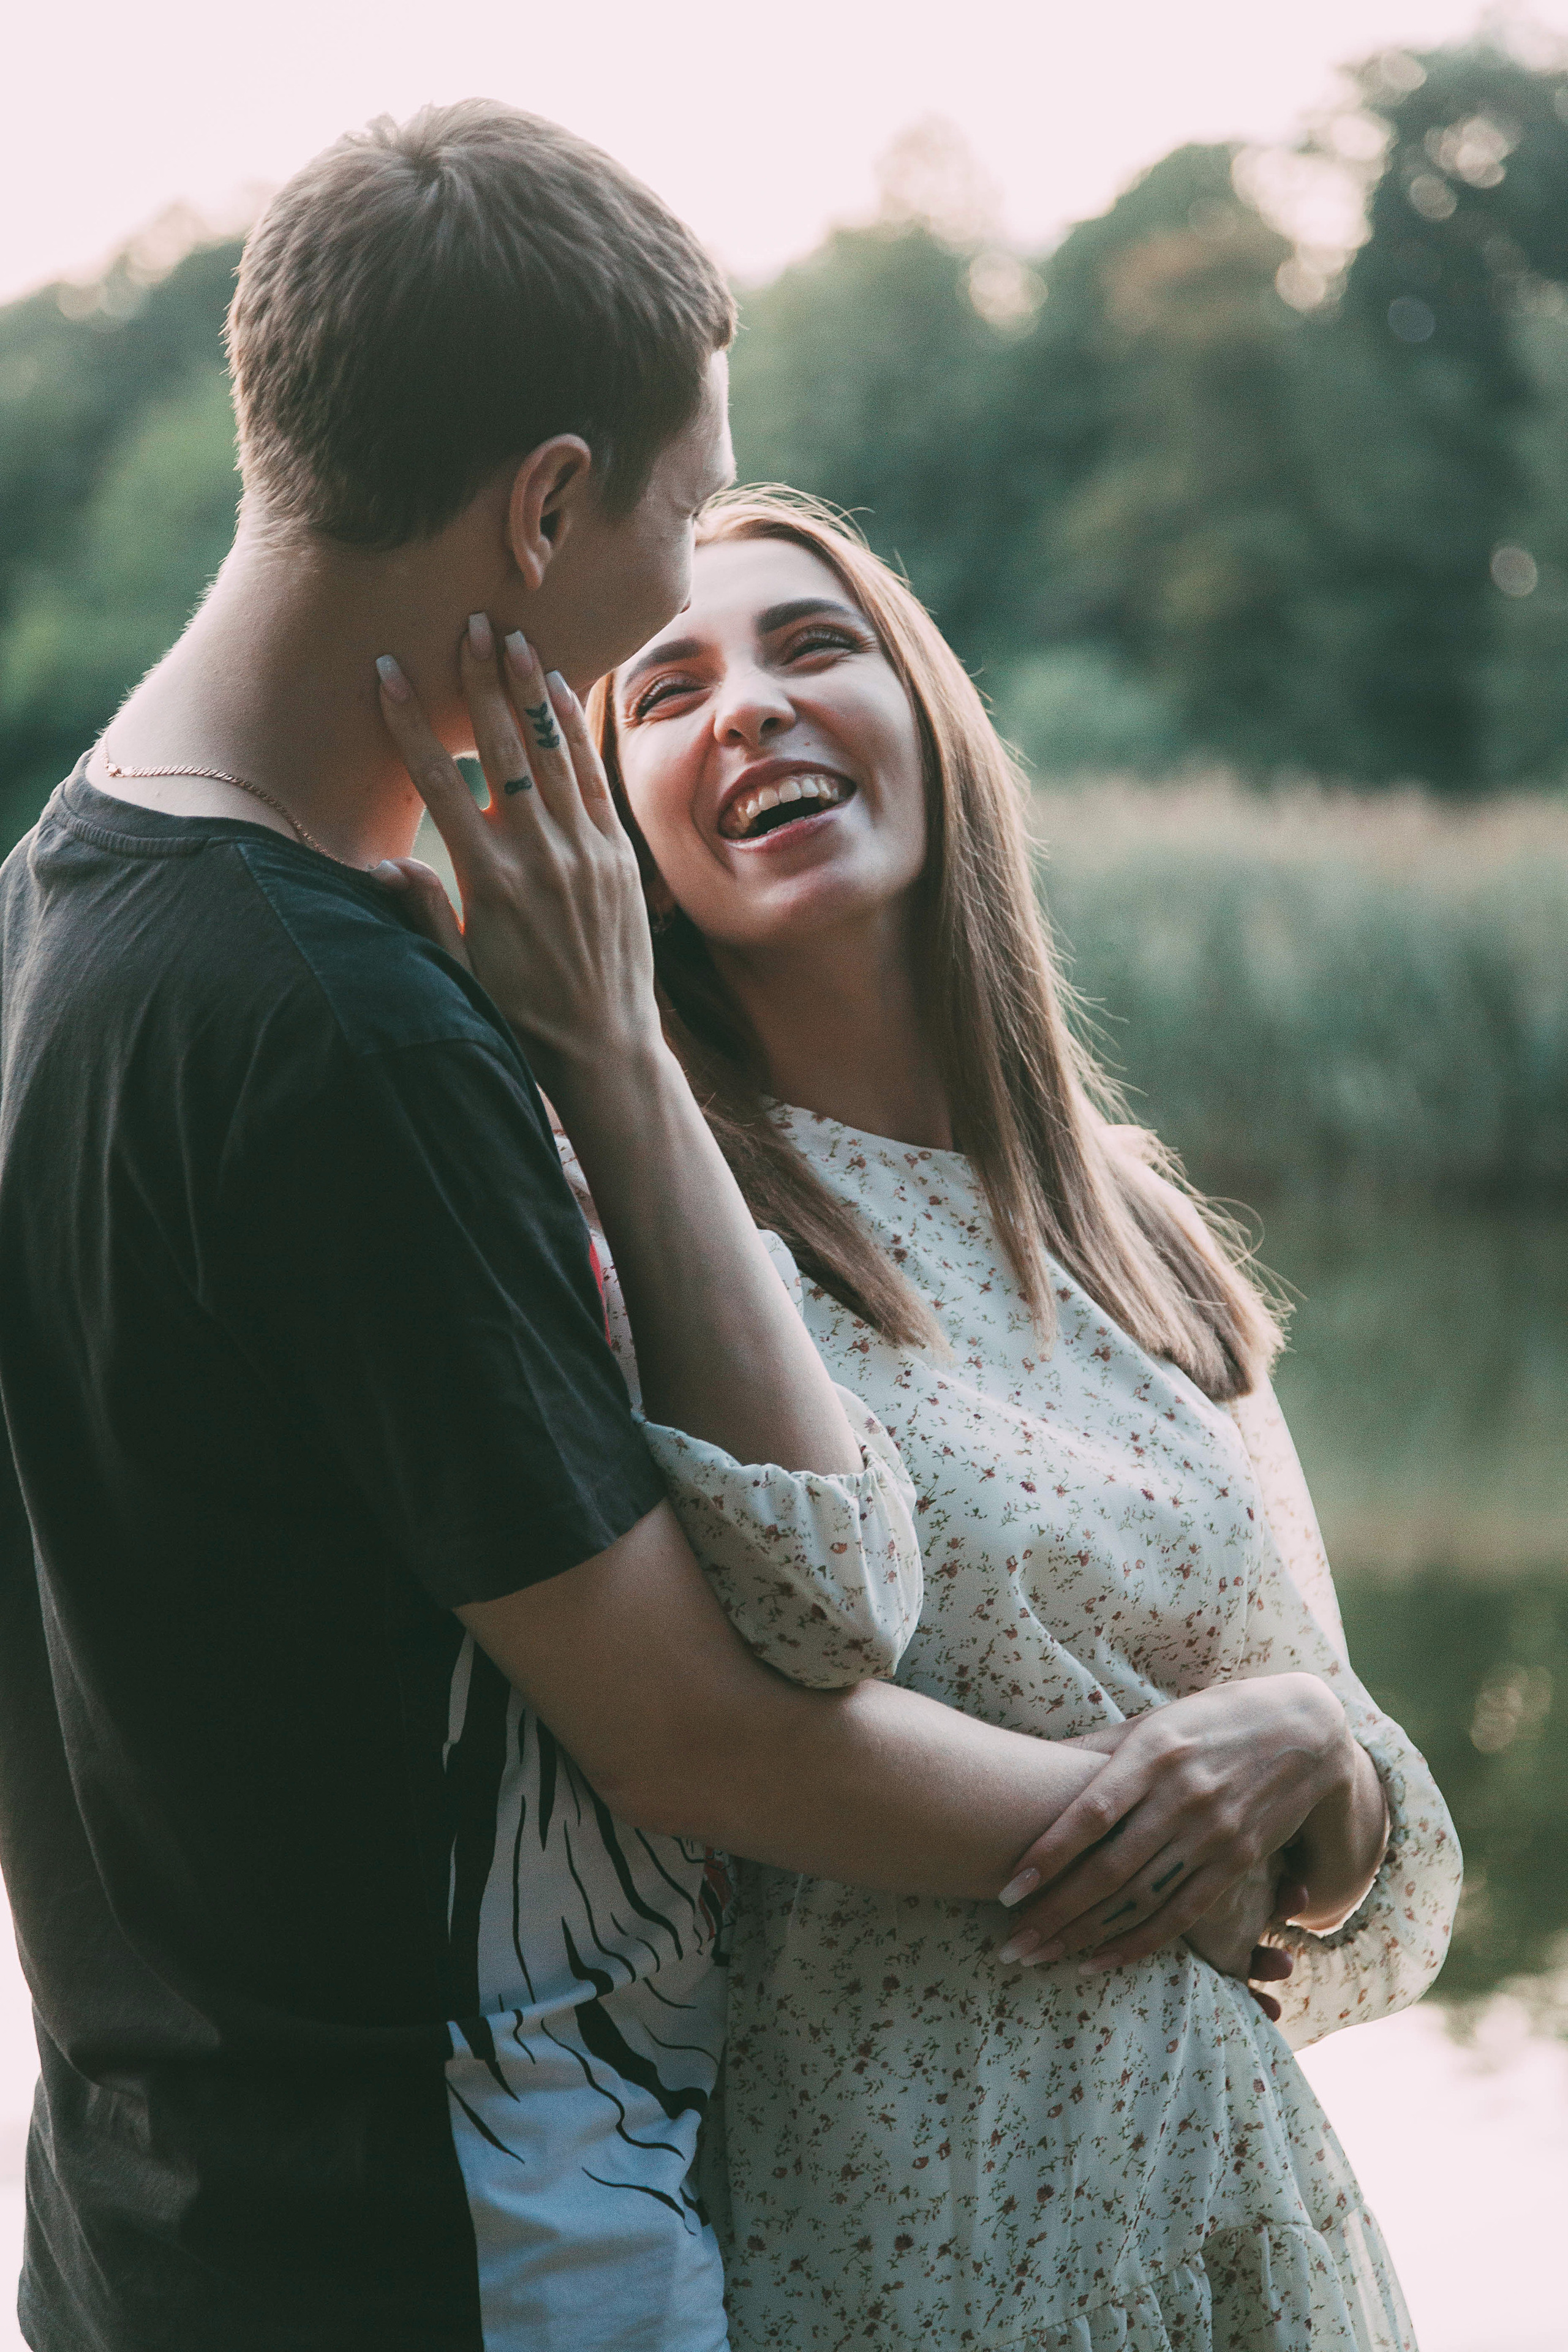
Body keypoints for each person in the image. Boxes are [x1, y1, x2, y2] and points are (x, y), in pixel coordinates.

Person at [0, 105, 1155, 2352]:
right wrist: (1167, 1823)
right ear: (542, 507)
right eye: (684, 511)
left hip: (160, 2219)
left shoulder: (64, 912)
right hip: (434, 2256)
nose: (685, 579)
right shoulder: (336, 1036)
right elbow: (702, 1734)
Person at [380, 491, 1461, 2352]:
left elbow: (1363, 1895)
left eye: (814, 647)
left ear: (934, 720)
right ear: (618, 825)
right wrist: (612, 1052)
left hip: (1242, 2221)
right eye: (667, 692)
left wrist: (1318, 1754)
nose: (751, 709)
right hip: (897, 2246)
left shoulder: (1136, 1214)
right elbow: (813, 1621)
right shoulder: (613, 1199)